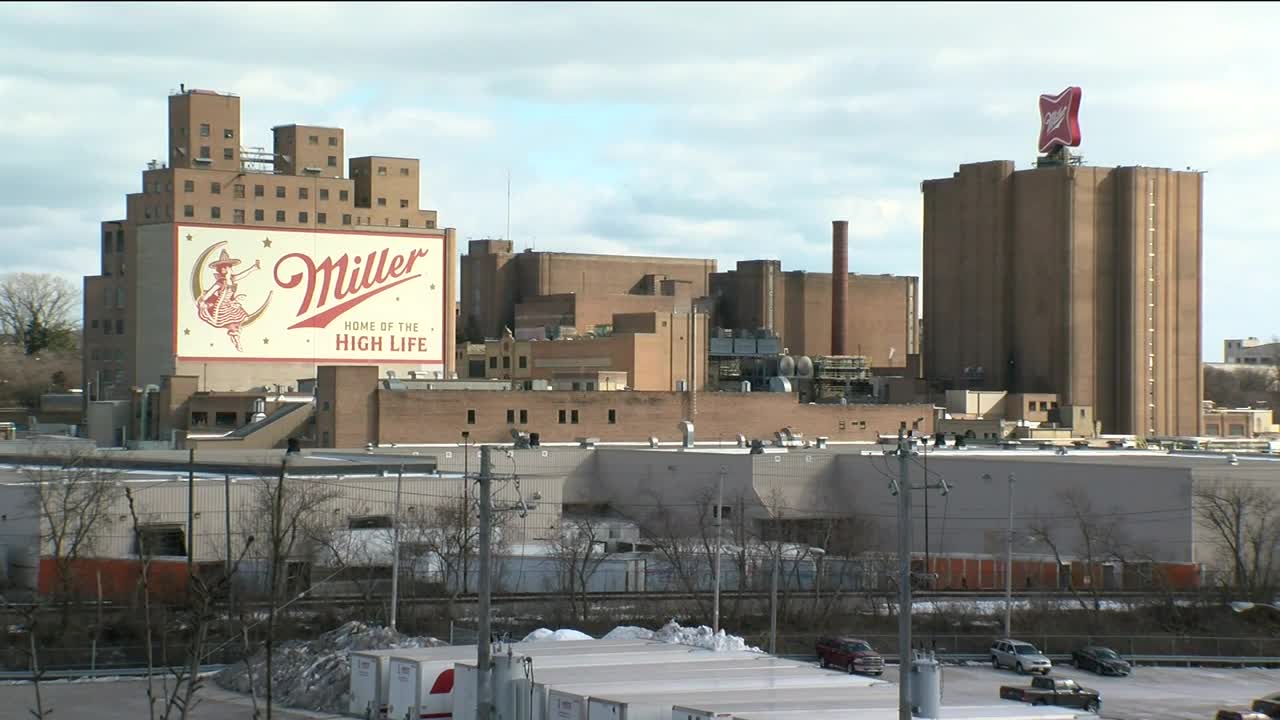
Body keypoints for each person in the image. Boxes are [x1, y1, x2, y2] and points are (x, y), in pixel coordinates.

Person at [197, 248, 261, 351]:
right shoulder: (221, 282)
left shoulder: (232, 279)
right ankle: (237, 341)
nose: (230, 269)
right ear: (223, 270)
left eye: (230, 267)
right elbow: (207, 295)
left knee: (237, 323)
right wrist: (203, 302)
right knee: (232, 325)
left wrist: (254, 268)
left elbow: (243, 275)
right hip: (222, 307)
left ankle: (236, 340)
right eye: (227, 267)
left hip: (229, 305)